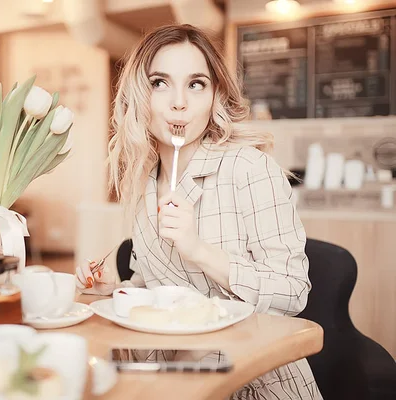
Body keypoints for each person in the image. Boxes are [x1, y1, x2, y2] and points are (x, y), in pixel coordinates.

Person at [75, 24, 321, 400]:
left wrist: (199, 250)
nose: (179, 102)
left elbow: (293, 291)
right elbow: (159, 287)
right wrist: (121, 290)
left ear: (214, 95)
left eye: (196, 84)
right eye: (160, 82)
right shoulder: (143, 181)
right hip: (168, 373)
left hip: (250, 378)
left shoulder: (249, 169)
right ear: (140, 95)